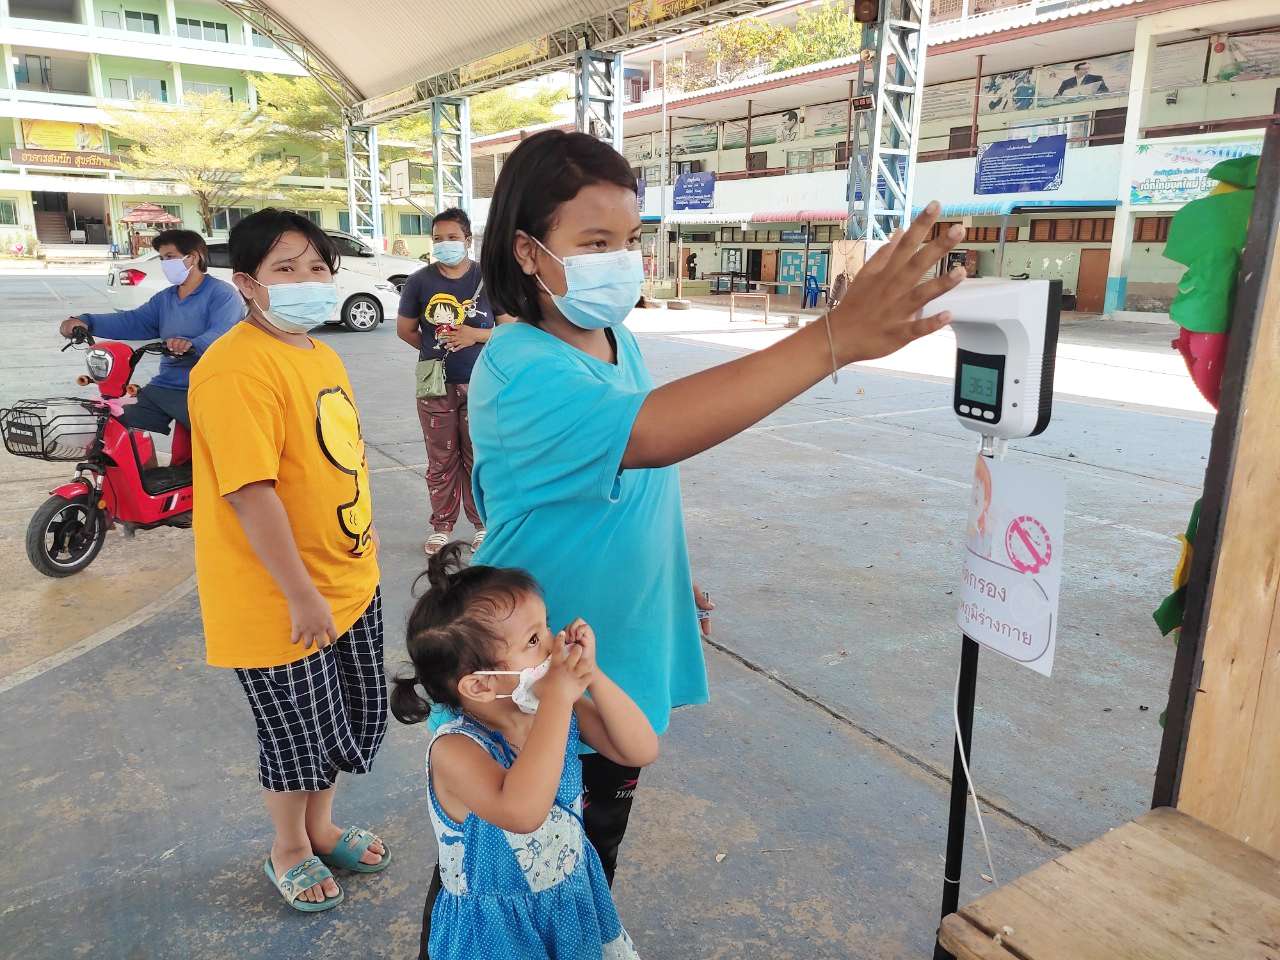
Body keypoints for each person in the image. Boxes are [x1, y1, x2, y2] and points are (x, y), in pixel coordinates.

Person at [418, 130, 963, 922]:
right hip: (525, 669)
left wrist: (667, 578)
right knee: (503, 875)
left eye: (629, 240)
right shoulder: (517, 363)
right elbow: (653, 433)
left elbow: (628, 487)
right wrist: (834, 338)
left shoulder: (617, 342)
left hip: (611, 659)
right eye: (594, 242)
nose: (621, 259)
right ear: (528, 251)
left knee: (583, 861)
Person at [188, 209, 389, 913]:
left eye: (317, 267)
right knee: (295, 735)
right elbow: (251, 494)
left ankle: (321, 828)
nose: (307, 281)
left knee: (343, 721)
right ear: (247, 283)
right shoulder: (234, 369)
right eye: (286, 269)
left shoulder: (319, 354)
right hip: (282, 600)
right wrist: (302, 594)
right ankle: (289, 848)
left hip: (348, 581)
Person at [393, 544, 656, 960]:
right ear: (481, 685)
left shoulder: (554, 709)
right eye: (534, 639)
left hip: (569, 901)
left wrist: (591, 676)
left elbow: (639, 748)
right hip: (497, 933)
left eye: (546, 627)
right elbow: (522, 812)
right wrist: (559, 699)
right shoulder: (455, 750)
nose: (553, 644)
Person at [396, 208, 511, 556]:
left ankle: (482, 525)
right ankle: (442, 526)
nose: (444, 244)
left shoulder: (489, 279)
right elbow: (406, 330)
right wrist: (436, 350)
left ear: (467, 240)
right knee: (440, 458)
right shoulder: (419, 282)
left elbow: (510, 329)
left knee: (479, 458)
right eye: (438, 239)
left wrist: (474, 335)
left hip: (482, 385)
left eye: (452, 237)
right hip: (435, 385)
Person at [60, 229, 241, 435]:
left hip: (209, 387)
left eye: (170, 257)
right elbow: (134, 321)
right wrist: (86, 322)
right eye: (162, 258)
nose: (165, 264)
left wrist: (192, 344)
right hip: (166, 385)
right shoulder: (165, 298)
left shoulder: (222, 294)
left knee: (217, 438)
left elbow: (224, 333)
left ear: (193, 257)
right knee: (119, 421)